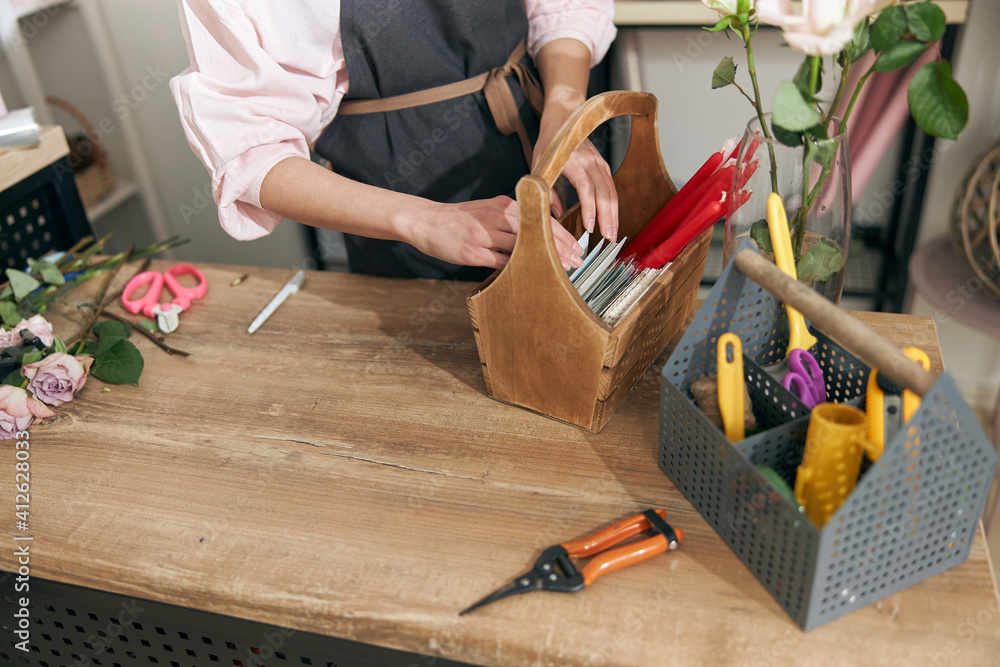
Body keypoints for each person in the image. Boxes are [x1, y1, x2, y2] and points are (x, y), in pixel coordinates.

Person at [170, 1, 619, 280]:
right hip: (396, 194)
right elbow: (251, 156)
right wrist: (422, 222)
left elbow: (564, 7)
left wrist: (563, 108)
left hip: (532, 119)